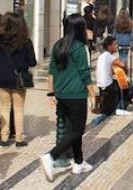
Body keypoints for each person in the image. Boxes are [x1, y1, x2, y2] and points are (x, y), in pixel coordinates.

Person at [40, 14, 96, 181]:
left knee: (73, 129)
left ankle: (78, 162)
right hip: (76, 95)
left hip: (61, 94)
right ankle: (50, 156)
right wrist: (93, 95)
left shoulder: (58, 45)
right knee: (78, 129)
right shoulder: (80, 48)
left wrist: (51, 93)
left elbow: (51, 71)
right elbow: (85, 73)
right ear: (80, 28)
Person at [0, 13, 37, 146]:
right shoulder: (25, 41)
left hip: (2, 77)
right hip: (18, 79)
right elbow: (32, 62)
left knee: (4, 107)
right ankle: (19, 138)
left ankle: (4, 137)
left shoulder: (0, 40)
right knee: (18, 108)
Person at [95, 36, 132, 118]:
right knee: (128, 87)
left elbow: (110, 70)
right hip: (108, 85)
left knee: (118, 84)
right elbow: (122, 65)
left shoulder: (102, 56)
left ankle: (115, 104)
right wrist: (126, 68)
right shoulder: (109, 56)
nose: (117, 46)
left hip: (101, 85)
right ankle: (121, 107)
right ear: (109, 46)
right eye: (114, 44)